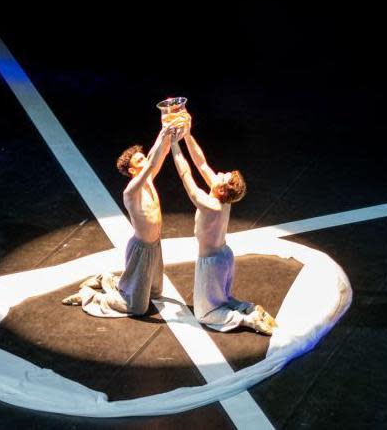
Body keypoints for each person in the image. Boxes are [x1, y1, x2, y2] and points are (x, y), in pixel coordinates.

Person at [170, 116, 277, 334]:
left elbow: (186, 174)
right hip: (224, 256)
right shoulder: (221, 198)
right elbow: (201, 163)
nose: (219, 173)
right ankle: (246, 308)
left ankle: (248, 319)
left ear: (221, 189)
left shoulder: (211, 204)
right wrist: (187, 135)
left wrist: (172, 144)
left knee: (205, 313)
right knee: (222, 298)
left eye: (223, 177)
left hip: (211, 263)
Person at [61, 124, 174, 317]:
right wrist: (163, 134)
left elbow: (160, 154)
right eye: (140, 160)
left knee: (155, 293)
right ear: (132, 170)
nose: (145, 160)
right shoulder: (131, 191)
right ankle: (89, 295)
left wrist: (168, 131)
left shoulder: (148, 179)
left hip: (154, 245)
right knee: (137, 307)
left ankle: (107, 279)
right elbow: (153, 163)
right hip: (141, 249)